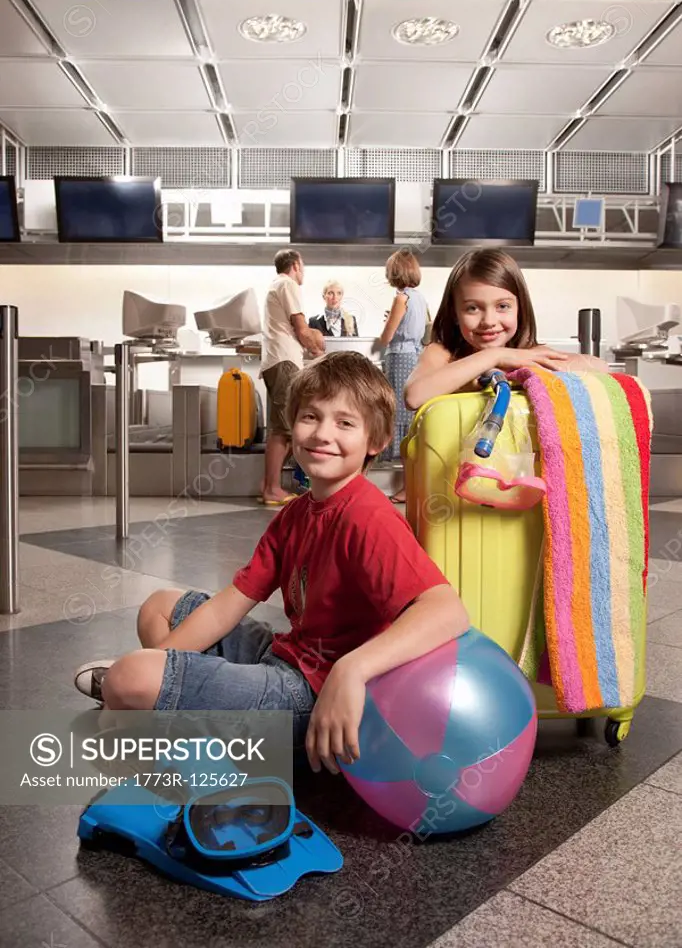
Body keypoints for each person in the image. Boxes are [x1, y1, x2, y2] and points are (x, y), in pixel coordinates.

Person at [73, 352, 470, 776]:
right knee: (158, 607)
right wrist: (167, 667)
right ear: (292, 426)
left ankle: (175, 725)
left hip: (312, 697)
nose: (322, 434)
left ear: (376, 441)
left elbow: (448, 611)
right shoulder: (295, 514)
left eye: (345, 423)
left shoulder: (368, 516)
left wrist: (351, 670)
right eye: (310, 417)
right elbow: (230, 604)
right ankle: (178, 715)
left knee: (128, 677)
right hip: (286, 656)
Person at [404, 248, 608, 410]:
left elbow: (600, 368)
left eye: (502, 306)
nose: (489, 320)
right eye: (472, 308)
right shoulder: (443, 354)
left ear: (520, 309)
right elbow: (414, 397)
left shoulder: (528, 355)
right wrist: (495, 356)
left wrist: (527, 367)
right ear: (454, 314)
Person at [260, 248, 325, 507]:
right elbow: (302, 329)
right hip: (284, 361)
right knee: (284, 431)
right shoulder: (287, 284)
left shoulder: (276, 285)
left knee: (281, 427)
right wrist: (318, 346)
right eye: (303, 266)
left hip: (277, 361)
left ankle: (268, 484)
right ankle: (272, 489)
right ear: (296, 265)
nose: (304, 271)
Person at [377, 250, 429, 504]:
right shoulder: (419, 299)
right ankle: (414, 487)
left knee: (400, 420)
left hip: (400, 358)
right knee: (412, 422)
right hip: (415, 357)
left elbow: (386, 337)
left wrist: (387, 324)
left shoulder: (401, 298)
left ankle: (406, 489)